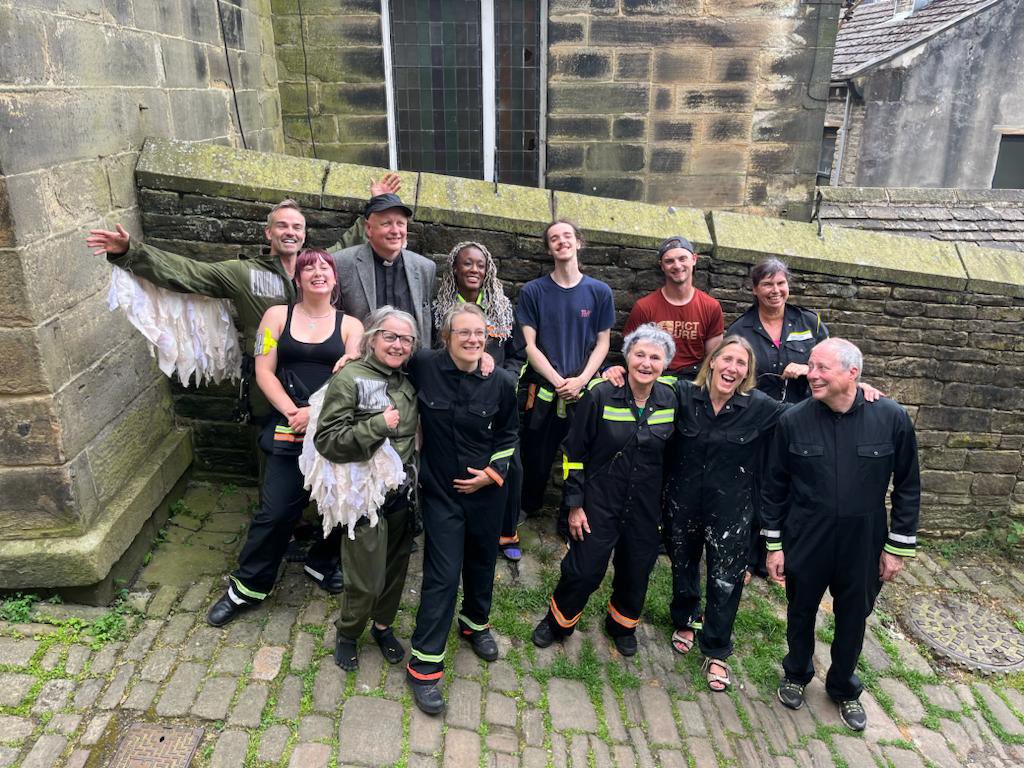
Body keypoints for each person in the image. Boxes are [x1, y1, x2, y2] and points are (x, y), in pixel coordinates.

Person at [762, 339, 920, 732]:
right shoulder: (793, 420)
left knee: (853, 618)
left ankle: (843, 687)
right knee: (800, 611)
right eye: (810, 366)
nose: (811, 374)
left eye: (821, 368)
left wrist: (897, 548)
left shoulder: (891, 417)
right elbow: (773, 488)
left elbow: (908, 486)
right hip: (806, 537)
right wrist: (774, 546)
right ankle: (796, 673)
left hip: (864, 542)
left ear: (852, 373)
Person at [206, 250, 364, 625]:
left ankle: (321, 562)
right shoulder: (276, 317)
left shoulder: (351, 326)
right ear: (298, 278)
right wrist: (293, 412)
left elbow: (353, 376)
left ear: (335, 279)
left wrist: (316, 412)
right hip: (287, 424)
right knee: (274, 511)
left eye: (325, 267)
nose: (318, 272)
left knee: (341, 504)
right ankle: (248, 587)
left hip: (331, 424)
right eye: (310, 267)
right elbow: (264, 370)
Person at [532, 325, 676, 657]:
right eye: (639, 354)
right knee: (583, 569)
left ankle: (622, 624)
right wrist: (575, 504)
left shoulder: (671, 398)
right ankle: (558, 622)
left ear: (665, 364)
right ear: (626, 357)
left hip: (645, 505)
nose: (646, 363)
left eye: (655, 357)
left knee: (636, 569)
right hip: (599, 500)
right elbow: (573, 453)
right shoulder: (600, 394)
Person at [404, 304, 519, 715]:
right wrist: (351, 355)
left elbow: (509, 434)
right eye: (463, 333)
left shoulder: (502, 381)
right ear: (446, 337)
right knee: (442, 573)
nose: (473, 340)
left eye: (479, 334)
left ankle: (475, 624)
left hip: (488, 493)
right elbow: (387, 355)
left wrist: (493, 473)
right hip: (441, 493)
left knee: (482, 561)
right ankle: (424, 666)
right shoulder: (424, 365)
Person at [664, 336, 786, 691]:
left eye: (741, 364)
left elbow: (804, 417)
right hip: (683, 500)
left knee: (726, 579)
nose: (732, 368)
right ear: (713, 361)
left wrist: (857, 392)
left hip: (732, 509)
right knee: (682, 563)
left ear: (747, 373)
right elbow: (646, 381)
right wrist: (612, 372)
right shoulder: (685, 395)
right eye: (727, 359)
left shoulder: (760, 407)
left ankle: (717, 648)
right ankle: (686, 617)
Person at [314, 307, 420, 672]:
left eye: (406, 339)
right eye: (390, 336)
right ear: (372, 338)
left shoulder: (406, 381)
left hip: (403, 495)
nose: (398, 344)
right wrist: (377, 424)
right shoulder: (351, 379)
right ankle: (348, 632)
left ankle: (382, 627)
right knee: (366, 580)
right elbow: (327, 440)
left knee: (394, 572)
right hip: (364, 499)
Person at [517, 220, 615, 537]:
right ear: (549, 248)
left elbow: (603, 343)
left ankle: (568, 515)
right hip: (545, 389)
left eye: (567, 236)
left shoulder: (599, 292)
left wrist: (583, 379)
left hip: (583, 392)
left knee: (579, 456)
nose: (562, 242)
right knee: (536, 454)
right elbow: (529, 346)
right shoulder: (533, 292)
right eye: (554, 238)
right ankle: (527, 507)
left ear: (578, 242)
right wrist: (560, 380)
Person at [432, 241, 527, 560]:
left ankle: (507, 532)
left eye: (480, 264)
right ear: (454, 268)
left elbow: (517, 354)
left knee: (510, 464)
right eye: (467, 264)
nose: (474, 270)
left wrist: (507, 380)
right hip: (456, 398)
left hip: (497, 398)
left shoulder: (502, 306)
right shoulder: (441, 307)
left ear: (488, 270)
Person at [332, 193, 437, 343]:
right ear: (368, 228)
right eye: (386, 224)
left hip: (412, 361)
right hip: (362, 360)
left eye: (400, 224)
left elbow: (426, 325)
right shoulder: (342, 263)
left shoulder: (425, 268)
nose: (395, 231)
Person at [727, 257, 828, 403]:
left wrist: (808, 369)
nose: (775, 290)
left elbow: (833, 366)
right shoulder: (739, 330)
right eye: (767, 284)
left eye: (781, 283)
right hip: (755, 415)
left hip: (804, 412)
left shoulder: (810, 322)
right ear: (755, 289)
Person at [623, 235, 724, 381]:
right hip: (654, 379)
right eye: (669, 261)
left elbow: (713, 359)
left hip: (693, 380)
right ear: (662, 266)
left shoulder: (711, 307)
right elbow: (630, 352)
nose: (677, 266)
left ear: (694, 259)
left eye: (682, 259)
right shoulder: (644, 307)